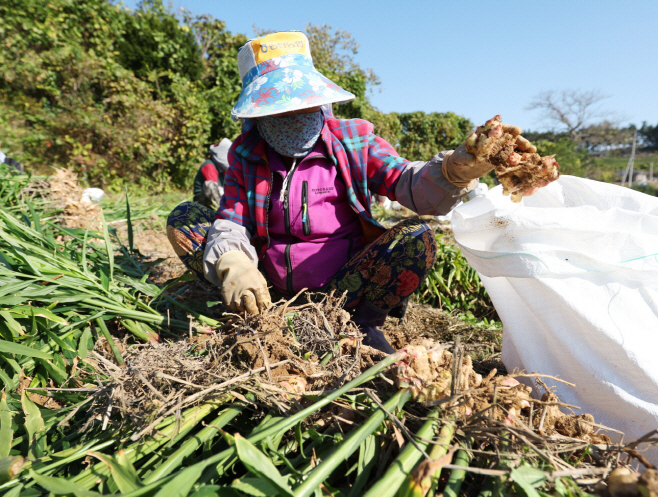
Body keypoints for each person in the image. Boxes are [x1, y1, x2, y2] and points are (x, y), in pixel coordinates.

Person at [166, 31, 538, 353]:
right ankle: (249, 309)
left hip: (343, 289)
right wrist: (235, 265)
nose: (295, 116)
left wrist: (454, 171)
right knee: (186, 219)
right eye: (280, 110)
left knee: (415, 238)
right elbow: (230, 221)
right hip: (268, 291)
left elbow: (407, 184)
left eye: (303, 105)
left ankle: (361, 324)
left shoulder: (353, 142)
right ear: (258, 115)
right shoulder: (247, 156)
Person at [192, 138, 232, 210]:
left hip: (217, 198)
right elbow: (213, 190)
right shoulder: (209, 166)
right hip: (202, 203)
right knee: (211, 185)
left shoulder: (222, 168)